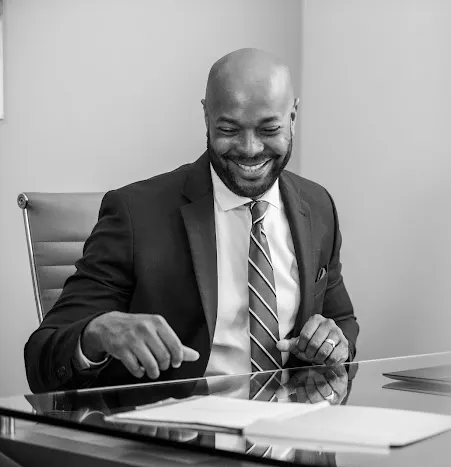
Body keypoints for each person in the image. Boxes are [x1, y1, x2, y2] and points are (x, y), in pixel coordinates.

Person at [24, 48, 359, 393]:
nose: (250, 149)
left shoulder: (317, 205)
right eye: (229, 129)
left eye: (269, 129)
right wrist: (97, 332)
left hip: (294, 421)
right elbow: (41, 357)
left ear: (293, 116)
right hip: (178, 423)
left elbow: (342, 321)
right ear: (206, 117)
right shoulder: (135, 214)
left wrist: (335, 342)